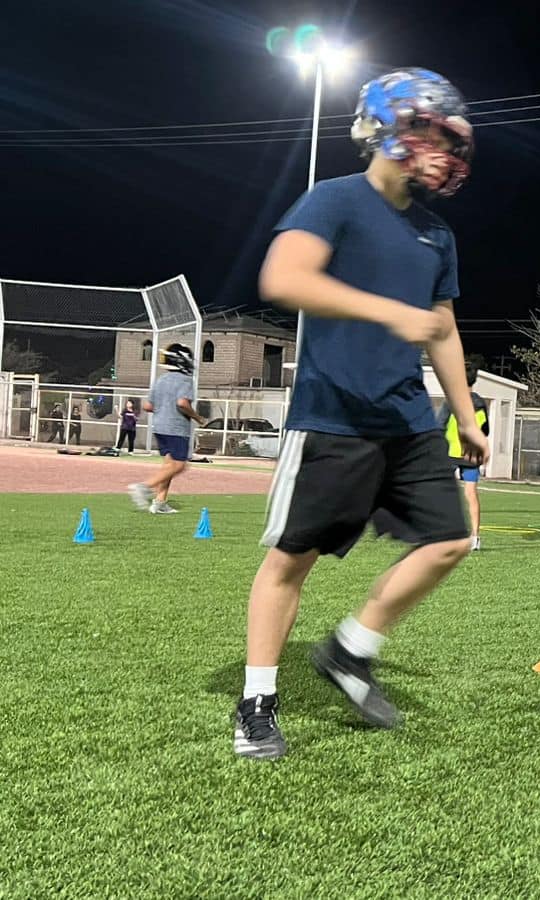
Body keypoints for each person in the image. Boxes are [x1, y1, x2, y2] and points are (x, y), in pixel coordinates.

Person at [235, 68, 485, 761]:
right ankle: (257, 702)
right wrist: (386, 311)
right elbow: (284, 279)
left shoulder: (437, 234)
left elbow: (443, 330)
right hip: (332, 415)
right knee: (292, 561)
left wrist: (466, 417)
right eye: (430, 133)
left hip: (406, 420)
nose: (444, 152)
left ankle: (351, 649)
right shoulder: (334, 200)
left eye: (449, 140)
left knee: (449, 540)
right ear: (387, 125)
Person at [127, 345, 206, 515]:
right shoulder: (185, 380)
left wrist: (164, 409)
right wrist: (198, 418)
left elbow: (148, 406)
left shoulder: (161, 379)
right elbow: (182, 403)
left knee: (169, 466)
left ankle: (160, 502)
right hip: (176, 428)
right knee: (179, 466)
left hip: (159, 427)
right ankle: (144, 487)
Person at [440, 361, 490, 551]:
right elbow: (485, 429)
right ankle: (475, 537)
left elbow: (440, 426)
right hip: (471, 455)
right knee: (471, 494)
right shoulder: (480, 403)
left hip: (451, 452)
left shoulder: (451, 401)